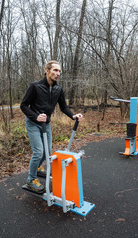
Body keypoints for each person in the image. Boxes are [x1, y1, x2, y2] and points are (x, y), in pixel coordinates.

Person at [20, 60, 83, 193]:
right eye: (55, 70)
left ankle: (36, 168)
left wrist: (73, 116)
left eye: (59, 71)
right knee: (38, 152)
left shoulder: (58, 89)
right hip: (33, 123)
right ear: (47, 71)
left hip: (46, 124)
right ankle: (31, 180)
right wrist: (35, 116)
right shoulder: (35, 86)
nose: (58, 73)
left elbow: (63, 107)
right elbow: (23, 105)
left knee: (47, 152)